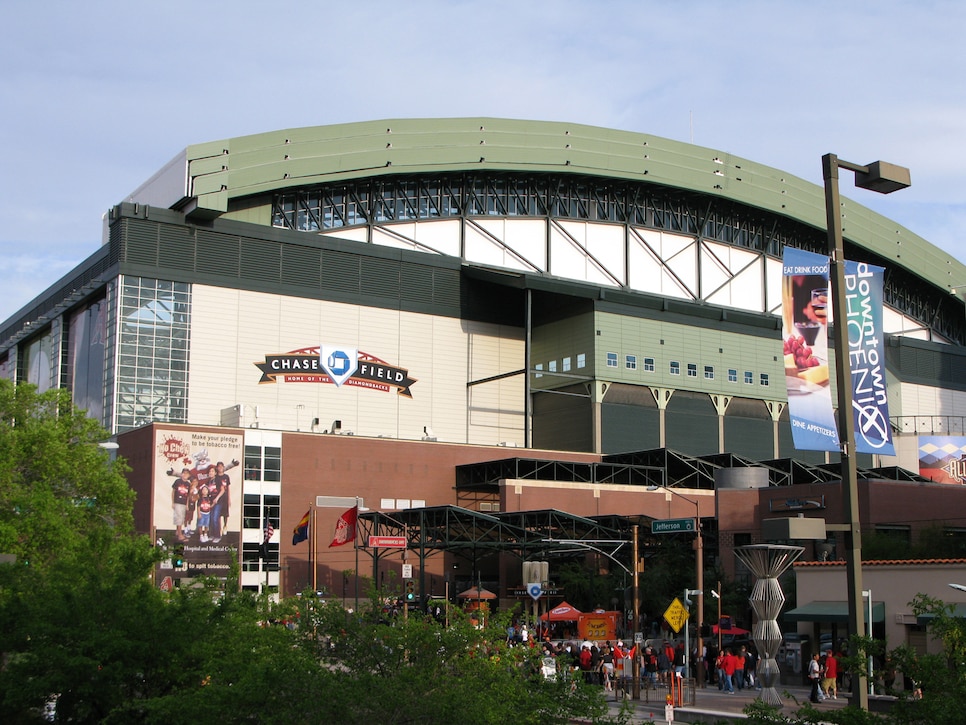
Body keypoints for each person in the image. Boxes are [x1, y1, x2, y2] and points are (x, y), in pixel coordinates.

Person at [171, 468, 191, 541]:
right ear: (181, 474)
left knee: (182, 518)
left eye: (187, 473)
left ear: (189, 475)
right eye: (184, 473)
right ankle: (180, 535)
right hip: (177, 502)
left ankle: (177, 531)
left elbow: (188, 495)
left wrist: (187, 504)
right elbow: (173, 492)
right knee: (179, 518)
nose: (185, 475)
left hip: (183, 503)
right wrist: (172, 502)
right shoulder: (177, 481)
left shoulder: (188, 484)